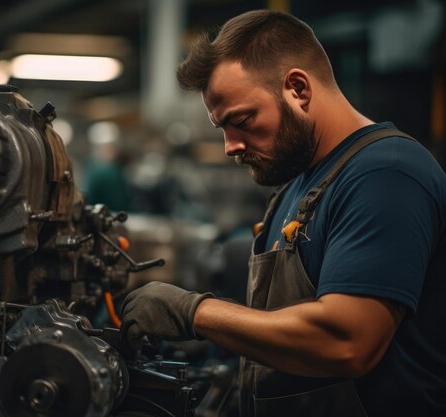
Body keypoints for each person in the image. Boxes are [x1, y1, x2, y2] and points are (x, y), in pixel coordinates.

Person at [120, 9, 446, 417]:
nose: (230, 146)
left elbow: (346, 342)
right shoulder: (299, 185)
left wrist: (195, 312)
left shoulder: (385, 174)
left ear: (297, 88)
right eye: (222, 128)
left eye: (241, 121)